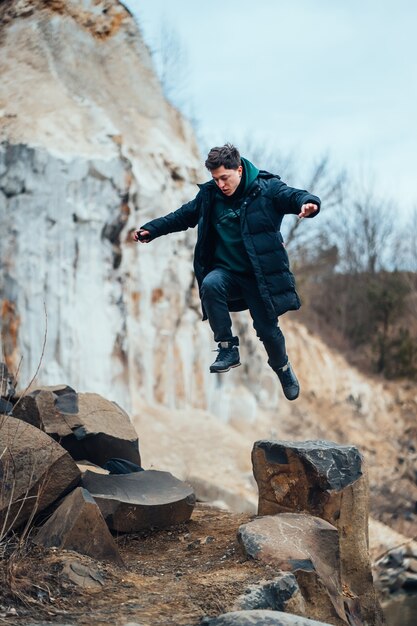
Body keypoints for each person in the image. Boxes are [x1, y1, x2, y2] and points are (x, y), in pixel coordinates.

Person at [133, 144, 320, 400]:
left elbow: (294, 196)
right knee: (210, 284)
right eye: (215, 179)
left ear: (239, 169)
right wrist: (151, 229)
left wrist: (309, 204)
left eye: (225, 178)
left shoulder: (267, 189)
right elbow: (181, 216)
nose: (221, 184)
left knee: (268, 331)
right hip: (228, 274)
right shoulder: (210, 196)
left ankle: (283, 368)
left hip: (259, 278)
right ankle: (227, 348)